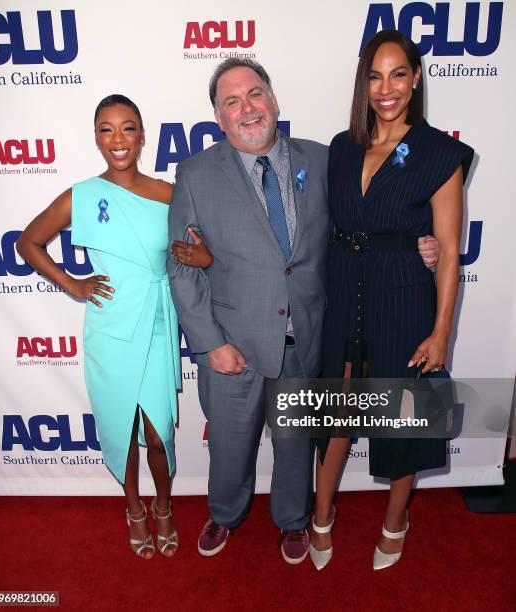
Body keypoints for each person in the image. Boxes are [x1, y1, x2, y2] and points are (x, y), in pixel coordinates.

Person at [17, 94, 212, 560]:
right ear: (96, 138)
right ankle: (133, 509)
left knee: (158, 430)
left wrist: (204, 258)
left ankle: (163, 506)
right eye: (107, 129)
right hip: (108, 326)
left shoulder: (171, 193)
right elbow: (29, 242)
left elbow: (206, 251)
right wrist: (72, 284)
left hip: (158, 322)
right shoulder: (80, 196)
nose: (118, 139)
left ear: (143, 137)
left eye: (128, 128)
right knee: (120, 428)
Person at [310, 30, 474, 571]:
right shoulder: (341, 147)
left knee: (405, 418)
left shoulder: (439, 154)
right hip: (343, 292)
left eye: (398, 74)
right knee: (336, 411)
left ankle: (395, 521)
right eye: (375, 76)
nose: (387, 89)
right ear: (363, 83)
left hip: (403, 296)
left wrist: (441, 332)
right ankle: (321, 514)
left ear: (416, 78)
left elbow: (448, 250)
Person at [167, 58, 330, 563]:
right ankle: (225, 513)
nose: (247, 108)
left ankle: (293, 520)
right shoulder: (195, 174)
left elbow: (360, 231)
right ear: (218, 117)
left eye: (255, 94)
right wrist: (211, 343)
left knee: (296, 444)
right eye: (231, 101)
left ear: (274, 100)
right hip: (232, 344)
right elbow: (181, 266)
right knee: (231, 446)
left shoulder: (322, 161)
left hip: (304, 337)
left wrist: (423, 242)